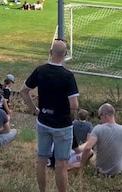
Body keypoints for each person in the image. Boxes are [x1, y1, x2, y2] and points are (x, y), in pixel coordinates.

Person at [20, 40, 80, 192]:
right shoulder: (67, 76)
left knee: (42, 160)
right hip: (62, 125)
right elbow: (74, 105)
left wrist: (34, 110)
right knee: (61, 165)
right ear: (65, 54)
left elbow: (24, 91)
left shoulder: (40, 70)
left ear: (50, 52)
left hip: (44, 121)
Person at [80, 103, 122, 175]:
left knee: (92, 155)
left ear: (104, 115)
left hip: (100, 170)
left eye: (100, 117)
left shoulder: (98, 128)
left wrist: (81, 165)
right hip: (117, 172)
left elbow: (87, 148)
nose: (100, 120)